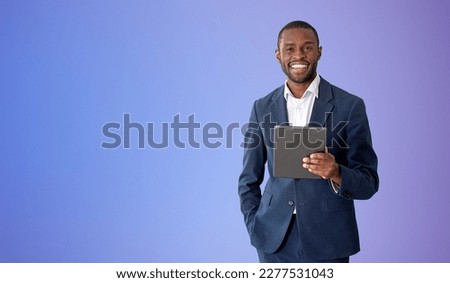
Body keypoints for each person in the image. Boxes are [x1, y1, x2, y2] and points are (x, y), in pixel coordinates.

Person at [238, 20, 379, 263]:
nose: (298, 55)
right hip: (273, 239)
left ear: (319, 52)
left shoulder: (350, 106)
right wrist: (255, 224)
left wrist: (336, 172)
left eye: (307, 47)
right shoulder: (262, 108)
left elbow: (369, 182)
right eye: (290, 48)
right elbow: (248, 179)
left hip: (329, 239)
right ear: (278, 55)